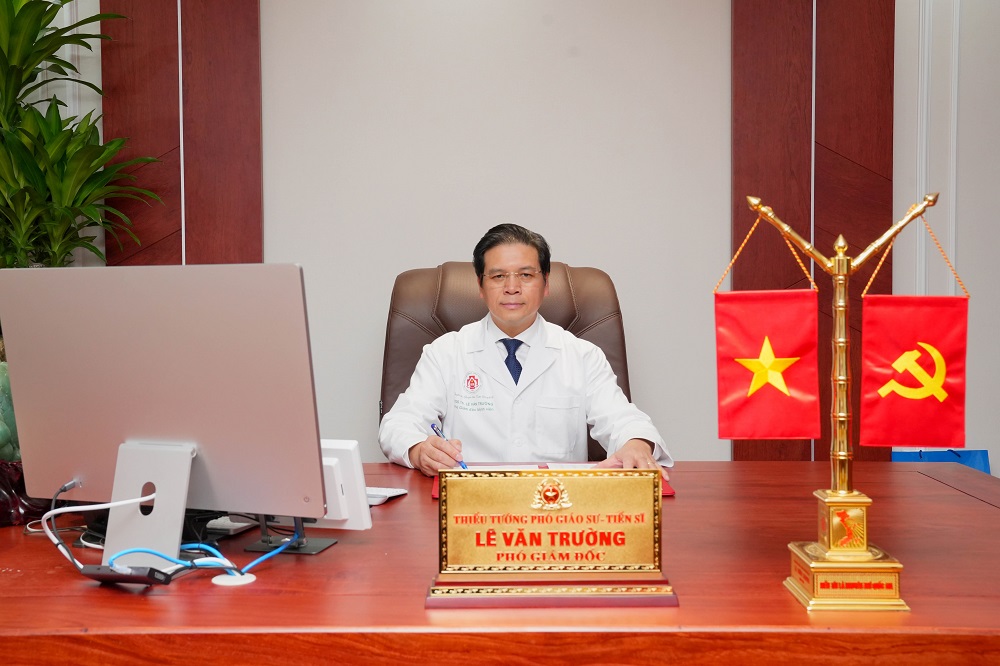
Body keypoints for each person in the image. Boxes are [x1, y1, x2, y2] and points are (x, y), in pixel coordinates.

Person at [378, 223, 672, 477]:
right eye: (498, 276)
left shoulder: (582, 356)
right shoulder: (445, 353)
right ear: (480, 286)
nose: (512, 287)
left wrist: (636, 443)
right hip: (470, 503)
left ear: (546, 284)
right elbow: (398, 423)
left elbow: (623, 420)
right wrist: (419, 450)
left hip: (556, 504)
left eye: (526, 275)